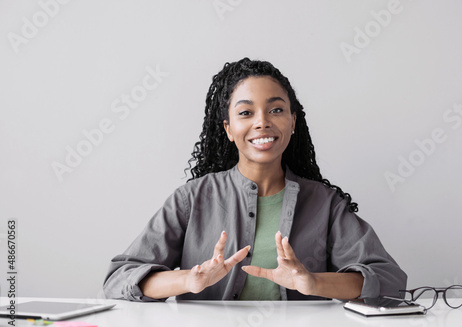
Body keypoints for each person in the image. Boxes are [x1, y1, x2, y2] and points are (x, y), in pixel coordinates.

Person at [103, 58, 407, 303]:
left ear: (292, 122)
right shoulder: (192, 198)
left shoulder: (324, 204)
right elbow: (120, 277)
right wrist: (187, 280)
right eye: (246, 112)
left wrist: (312, 282)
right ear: (228, 129)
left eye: (276, 110)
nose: (262, 121)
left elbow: (390, 280)